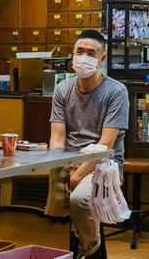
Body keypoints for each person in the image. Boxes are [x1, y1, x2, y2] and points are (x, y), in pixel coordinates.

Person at [48, 29, 129, 259]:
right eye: (79, 51)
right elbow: (57, 139)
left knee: (78, 200)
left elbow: (104, 145)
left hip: (104, 166)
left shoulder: (116, 92)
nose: (84, 57)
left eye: (91, 53)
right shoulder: (63, 88)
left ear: (101, 59)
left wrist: (74, 178)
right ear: (72, 55)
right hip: (69, 161)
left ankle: (90, 252)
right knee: (54, 210)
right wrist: (60, 170)